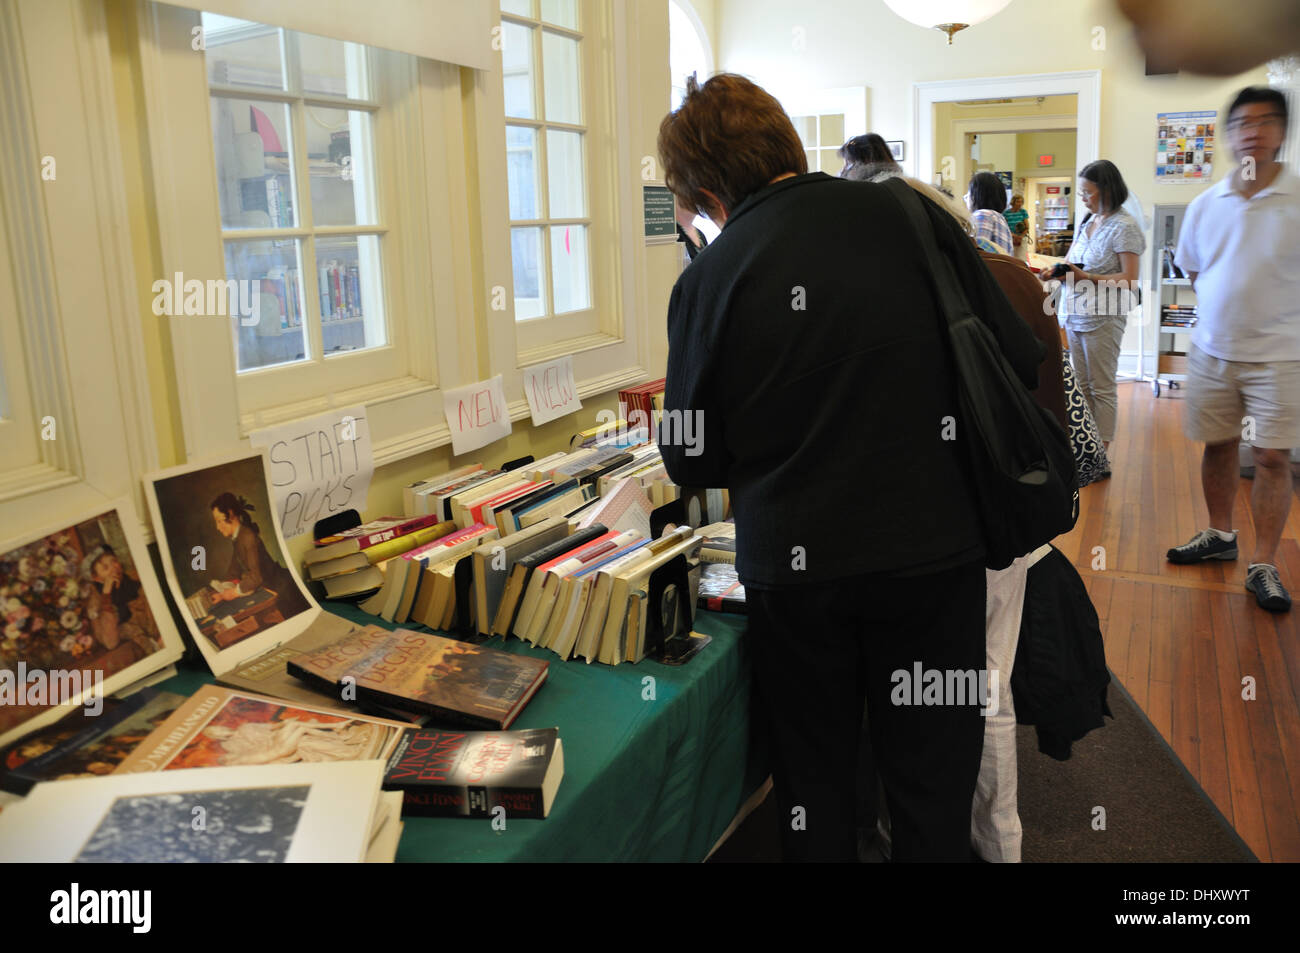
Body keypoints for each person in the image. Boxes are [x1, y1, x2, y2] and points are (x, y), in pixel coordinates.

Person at [656, 74, 1043, 862]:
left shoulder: (710, 277)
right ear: (787, 143)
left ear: (704, 192)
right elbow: (1017, 347)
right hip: (935, 552)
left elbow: (690, 453)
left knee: (816, 793)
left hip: (798, 573)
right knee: (934, 783)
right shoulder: (908, 214)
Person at [1166, 87, 1300, 612]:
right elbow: (1195, 269)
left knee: (1270, 457)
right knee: (1217, 445)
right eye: (1242, 123)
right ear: (1228, 136)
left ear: (1282, 133)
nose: (1253, 131)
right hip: (1212, 351)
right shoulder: (1205, 204)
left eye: (1266, 122)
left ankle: (1263, 563)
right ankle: (1219, 536)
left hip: (1282, 356)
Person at [1056, 159, 1145, 453]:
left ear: (1106, 190)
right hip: (1076, 314)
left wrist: (1088, 277)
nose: (1082, 198)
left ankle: (1100, 452)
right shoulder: (1088, 221)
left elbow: (1130, 280)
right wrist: (1054, 270)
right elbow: (1069, 262)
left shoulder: (1125, 226)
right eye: (1080, 193)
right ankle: (1086, 446)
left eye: (1087, 193)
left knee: (1102, 386)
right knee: (1081, 386)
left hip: (1103, 317)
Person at [209, 492, 310, 619]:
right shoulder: (238, 538)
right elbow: (234, 569)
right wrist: (221, 590)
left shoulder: (247, 537)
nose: (217, 527)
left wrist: (233, 593)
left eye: (219, 521)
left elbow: (256, 578)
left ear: (231, 514)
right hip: (270, 587)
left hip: (281, 589)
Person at [966, 172, 1013, 255]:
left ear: (977, 194)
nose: (966, 197)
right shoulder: (998, 218)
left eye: (969, 192)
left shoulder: (983, 215)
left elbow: (976, 255)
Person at [838, 133, 903, 183]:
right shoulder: (898, 182)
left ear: (866, 160)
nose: (843, 170)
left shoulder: (875, 187)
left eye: (849, 163)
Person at [1003, 195, 1029, 261]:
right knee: (1011, 257)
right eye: (1018, 202)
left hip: (1022, 238)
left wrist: (1020, 237)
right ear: (1013, 202)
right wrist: (1013, 236)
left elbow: (1027, 226)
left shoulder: (1023, 212)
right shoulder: (1006, 213)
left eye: (1021, 202)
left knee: (1021, 258)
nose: (1020, 204)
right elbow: (1005, 226)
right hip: (1010, 238)